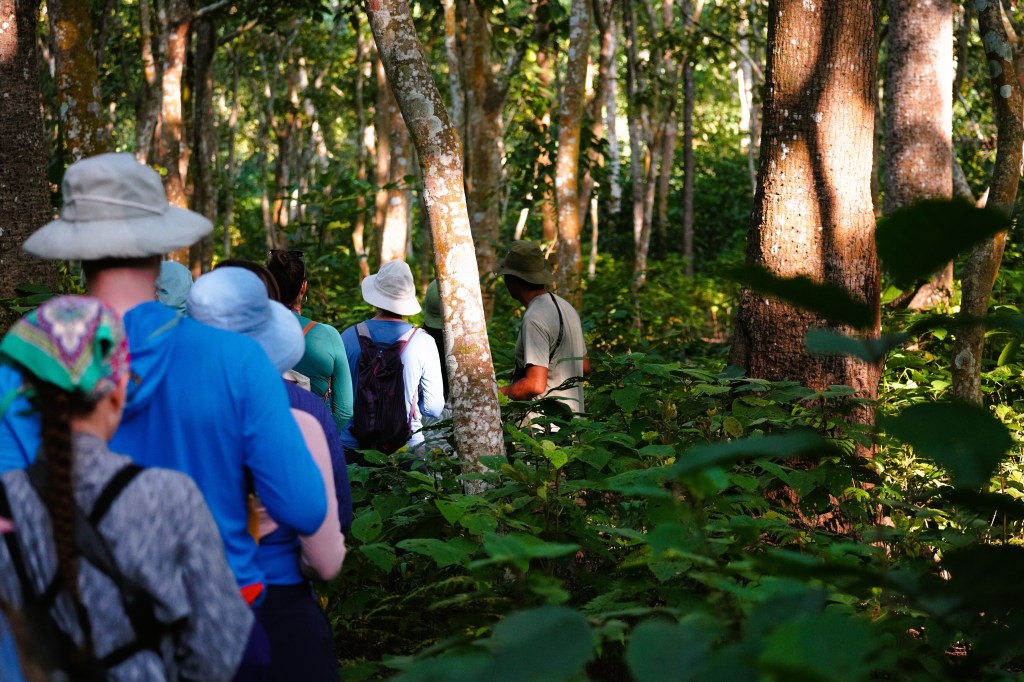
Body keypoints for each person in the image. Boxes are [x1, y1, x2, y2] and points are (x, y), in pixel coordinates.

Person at [0, 153, 327, 673]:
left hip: (72, 642)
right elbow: (305, 508)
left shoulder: (24, 366)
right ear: (159, 247)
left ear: (76, 251)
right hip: (216, 633)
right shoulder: (237, 360)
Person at [0, 297, 251, 680]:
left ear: (32, 395)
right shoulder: (169, 497)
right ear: (117, 390)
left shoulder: (8, 499)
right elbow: (219, 645)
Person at [188, 268, 345, 682]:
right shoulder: (303, 419)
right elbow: (326, 557)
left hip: (195, 604)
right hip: (282, 605)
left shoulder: (170, 415)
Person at [340, 260, 445, 462]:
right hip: (407, 449)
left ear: (375, 297)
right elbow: (434, 408)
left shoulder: (349, 336)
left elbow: (340, 403)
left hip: (353, 446)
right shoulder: (423, 342)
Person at [267, 249, 354, 435]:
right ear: (303, 286)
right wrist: (321, 439)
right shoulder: (328, 336)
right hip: (313, 438)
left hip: (263, 438)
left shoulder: (247, 332)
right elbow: (344, 411)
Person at [496, 240, 588, 414]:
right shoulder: (566, 307)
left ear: (512, 279)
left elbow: (535, 385)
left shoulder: (534, 317)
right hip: (574, 423)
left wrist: (496, 395)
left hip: (544, 426)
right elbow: (584, 366)